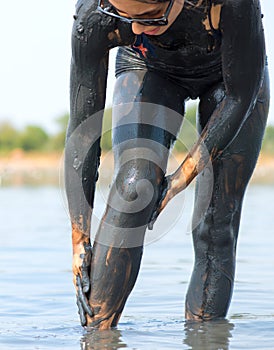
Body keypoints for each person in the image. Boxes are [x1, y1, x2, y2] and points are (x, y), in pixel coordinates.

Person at [65, 0, 269, 329]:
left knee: (216, 221)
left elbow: (238, 97)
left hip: (231, 80)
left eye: (151, 17)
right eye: (126, 18)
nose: (137, 28)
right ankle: (97, 336)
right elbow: (82, 130)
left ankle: (205, 336)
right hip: (149, 67)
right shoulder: (97, 13)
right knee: (133, 188)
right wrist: (79, 237)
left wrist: (181, 177)